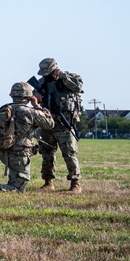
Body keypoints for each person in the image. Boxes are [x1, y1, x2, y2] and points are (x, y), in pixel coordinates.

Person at [0, 82, 54, 193]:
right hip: (18, 155)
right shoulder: (30, 112)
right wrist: (37, 105)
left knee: (15, 177)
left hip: (3, 151)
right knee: (18, 188)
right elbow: (50, 124)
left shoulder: (4, 109)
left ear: (12, 95)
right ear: (28, 96)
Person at [31, 57, 85, 193]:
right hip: (47, 124)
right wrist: (35, 95)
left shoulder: (70, 78)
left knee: (69, 153)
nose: (46, 75)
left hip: (64, 124)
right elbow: (31, 95)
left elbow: (77, 86)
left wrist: (62, 76)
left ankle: (75, 184)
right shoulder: (42, 82)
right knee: (47, 153)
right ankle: (48, 182)